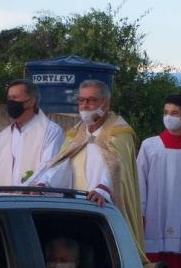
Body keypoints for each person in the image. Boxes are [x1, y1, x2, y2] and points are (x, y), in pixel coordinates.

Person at [32, 79, 145, 255]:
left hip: (103, 211)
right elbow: (62, 164)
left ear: (106, 103)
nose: (84, 105)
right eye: (81, 100)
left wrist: (103, 188)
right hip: (75, 211)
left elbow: (117, 166)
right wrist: (45, 184)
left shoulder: (120, 132)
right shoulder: (76, 133)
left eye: (91, 100)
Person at [137, 95, 181, 268]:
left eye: (174, 113)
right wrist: (140, 215)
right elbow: (139, 183)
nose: (169, 117)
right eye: (166, 112)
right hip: (153, 218)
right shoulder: (149, 146)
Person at [0, 79, 64, 187]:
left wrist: (39, 185)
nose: (10, 103)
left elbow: (50, 166)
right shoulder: (4, 136)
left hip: (33, 200)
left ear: (31, 101)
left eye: (14, 98)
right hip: (3, 201)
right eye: (9, 98)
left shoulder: (51, 131)